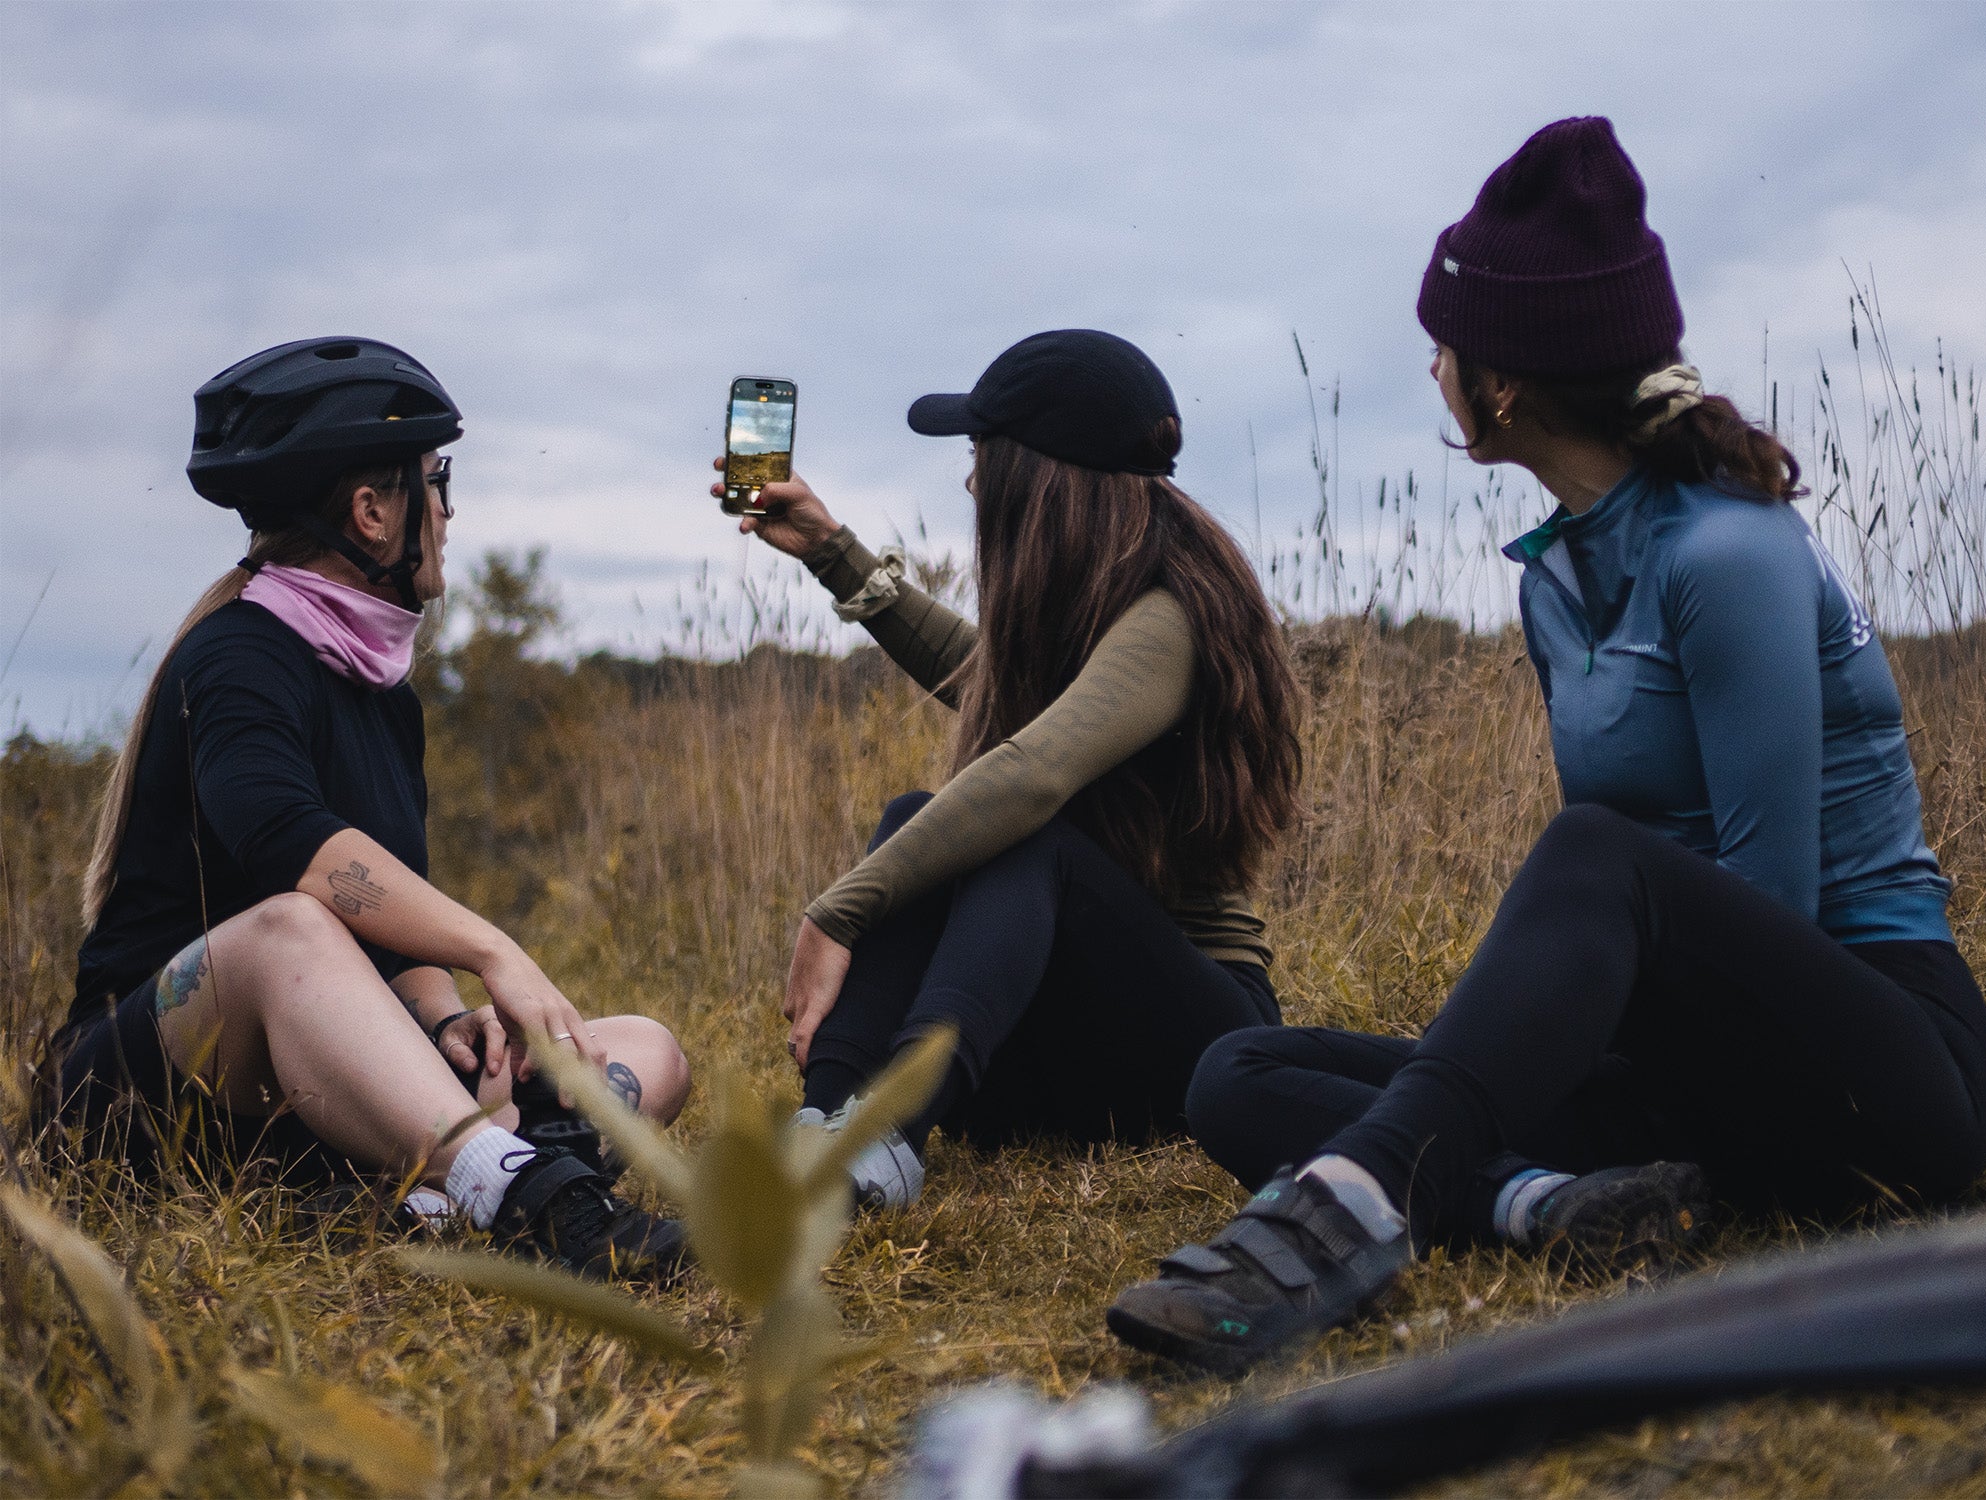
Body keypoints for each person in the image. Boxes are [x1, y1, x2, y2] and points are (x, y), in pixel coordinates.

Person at [1107, 118, 1986, 1375]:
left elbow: (1770, 912)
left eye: (1444, 347)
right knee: (1237, 1073)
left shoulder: (1729, 557)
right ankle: (1547, 1207)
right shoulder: (1559, 582)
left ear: (1507, 382)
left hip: (1878, 1076)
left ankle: (1351, 1212)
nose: (1433, 370)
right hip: (1693, 1081)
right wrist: (1532, 1052)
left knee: (1589, 856)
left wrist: (1541, 1049)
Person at [42, 338, 691, 1278]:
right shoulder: (239, 656)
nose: (448, 512)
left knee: (645, 1050)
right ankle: (534, 1200)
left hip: (292, 1111)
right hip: (138, 1101)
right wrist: (493, 950)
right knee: (287, 930)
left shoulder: (385, 693)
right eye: (438, 482)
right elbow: (293, 849)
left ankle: (429, 1187)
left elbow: (393, 926)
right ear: (373, 511)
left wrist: (449, 1023)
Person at [718, 329, 1299, 1210]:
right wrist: (833, 551)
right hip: (1071, 1042)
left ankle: (884, 1140)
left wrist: (840, 909)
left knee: (1029, 840)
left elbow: (1033, 772)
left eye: (980, 455)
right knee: (922, 811)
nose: (969, 480)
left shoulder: (1172, 614)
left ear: (1042, 473)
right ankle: (825, 1127)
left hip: (1195, 1039)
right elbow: (992, 686)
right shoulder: (1099, 601)